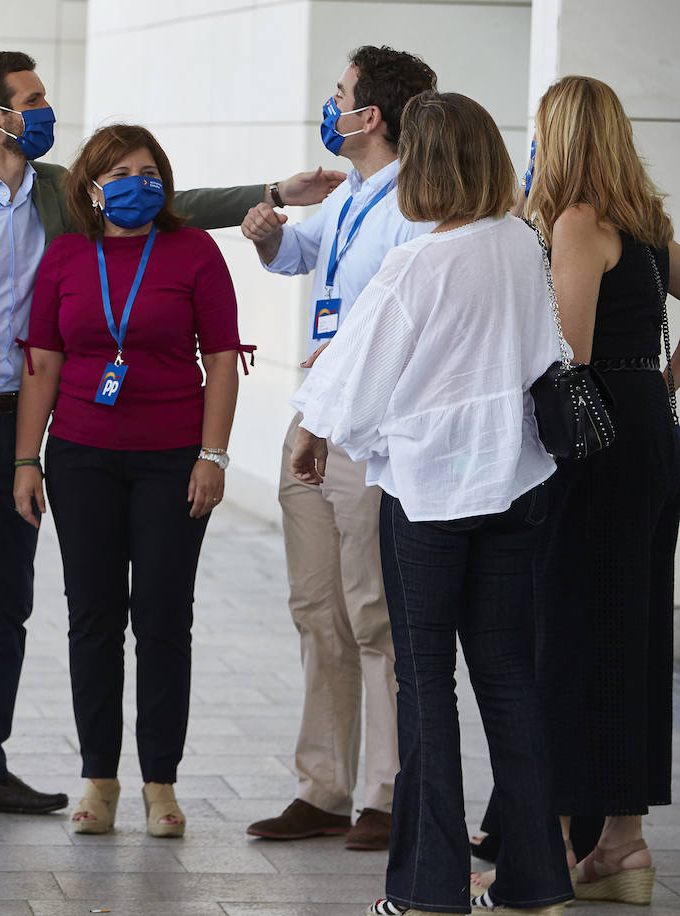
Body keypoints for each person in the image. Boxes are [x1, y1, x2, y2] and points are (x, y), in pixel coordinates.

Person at [0, 48, 345, 821]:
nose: (43, 109)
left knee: (7, 605)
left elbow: (172, 207)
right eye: (30, 99)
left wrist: (269, 192)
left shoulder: (56, 199)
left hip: (23, 429)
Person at [289, 90, 574, 916]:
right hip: (516, 482)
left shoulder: (418, 262)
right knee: (509, 679)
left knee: (426, 684)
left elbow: (356, 374)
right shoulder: (521, 242)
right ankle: (536, 882)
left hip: (430, 492)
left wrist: (311, 431)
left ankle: (427, 889)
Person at [12, 123, 244, 838]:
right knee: (93, 620)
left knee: (165, 620)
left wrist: (214, 455)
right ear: (89, 188)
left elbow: (224, 360)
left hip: (174, 460)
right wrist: (26, 460)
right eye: (120, 173)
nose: (138, 184)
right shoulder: (65, 257)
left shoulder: (194, 251)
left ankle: (160, 784)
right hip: (82, 458)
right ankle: (99, 780)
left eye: (150, 171)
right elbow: (42, 365)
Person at [239, 45, 437, 852]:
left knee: (372, 613)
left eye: (340, 94)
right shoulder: (351, 193)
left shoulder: (415, 201)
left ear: (372, 117)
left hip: (367, 429)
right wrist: (263, 234)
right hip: (313, 416)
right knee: (316, 609)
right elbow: (300, 255)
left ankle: (388, 793)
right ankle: (322, 787)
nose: (330, 105)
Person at [525, 74, 679, 908]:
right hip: (649, 429)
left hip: (594, 442)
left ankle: (548, 845)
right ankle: (621, 844)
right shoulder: (647, 226)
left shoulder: (577, 220)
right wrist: (661, 381)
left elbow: (566, 349)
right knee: (635, 629)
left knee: (565, 626)